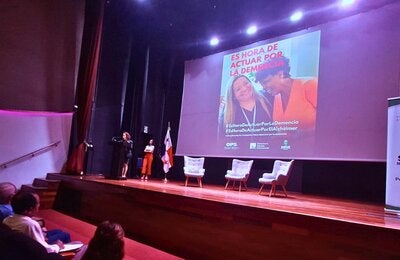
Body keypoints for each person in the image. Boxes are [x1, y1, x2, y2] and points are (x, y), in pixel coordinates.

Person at [255, 56, 318, 132]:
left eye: (266, 82)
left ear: (280, 74)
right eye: (262, 84)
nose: (264, 87)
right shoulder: (277, 96)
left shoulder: (309, 85)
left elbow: (329, 120)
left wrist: (303, 133)